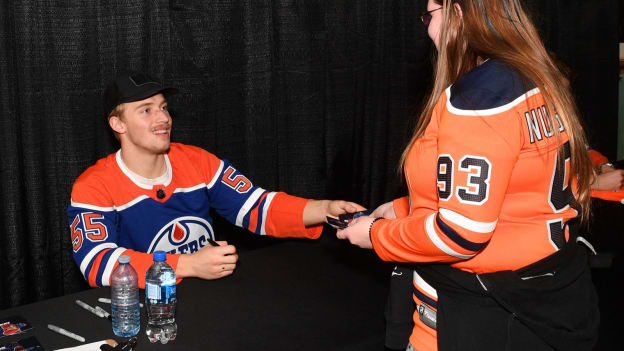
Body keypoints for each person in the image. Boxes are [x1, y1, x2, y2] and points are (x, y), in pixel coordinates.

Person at [336, 0, 599, 350]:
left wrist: (376, 235)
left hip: (486, 315)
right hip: (549, 295)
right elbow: (514, 189)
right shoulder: (542, 79)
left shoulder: (482, 96)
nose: (427, 29)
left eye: (429, 16)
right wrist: (403, 208)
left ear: (457, 15)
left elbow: (462, 233)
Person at [68, 72, 364, 288]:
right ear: (117, 123)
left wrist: (324, 208)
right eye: (146, 110)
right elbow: (96, 261)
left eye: (163, 107)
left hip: (209, 294)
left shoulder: (196, 161)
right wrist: (188, 265)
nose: (163, 118)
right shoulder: (93, 185)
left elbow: (256, 206)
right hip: (146, 309)